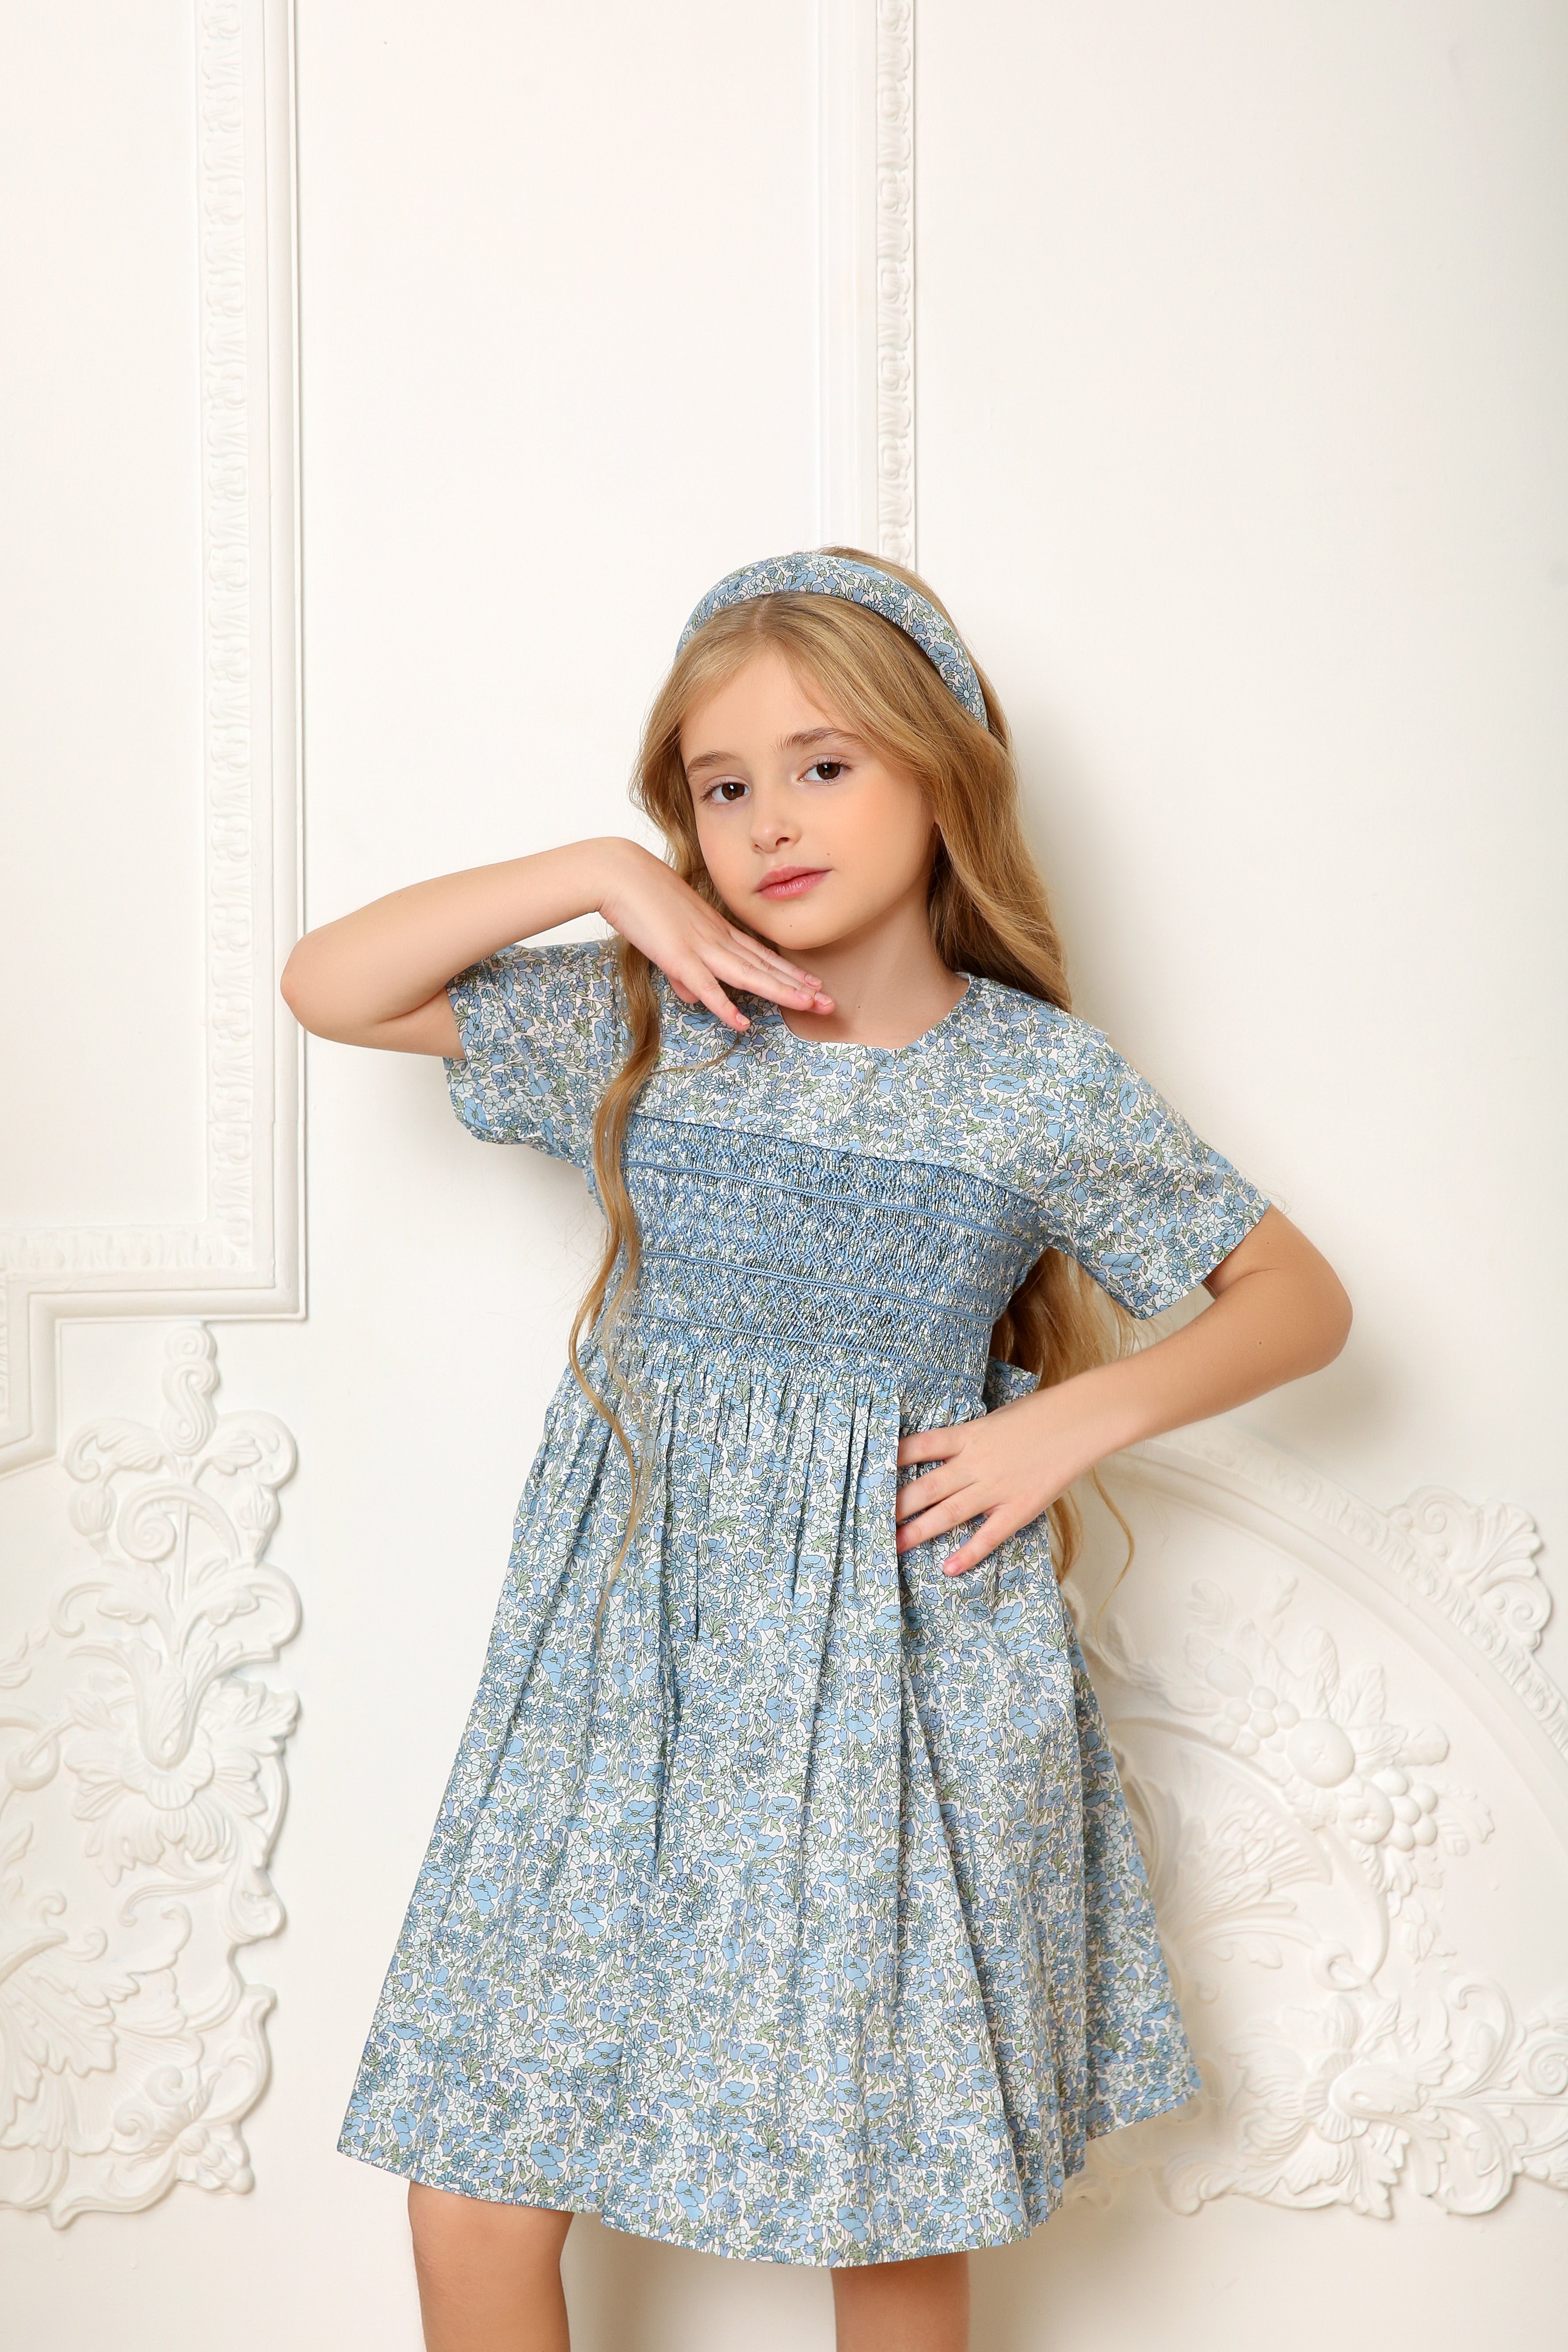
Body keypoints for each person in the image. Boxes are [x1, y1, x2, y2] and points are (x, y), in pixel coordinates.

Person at [281, 548, 1351, 2352]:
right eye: (719, 787)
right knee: (471, 2179)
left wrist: (1066, 1420)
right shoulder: (652, 1014)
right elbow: (329, 983)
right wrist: (601, 874)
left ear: (940, 773)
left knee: (886, 2194)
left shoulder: (1034, 1081)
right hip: (618, 1669)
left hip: (890, 1682)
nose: (767, 819)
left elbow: (1295, 1300)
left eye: (823, 763)